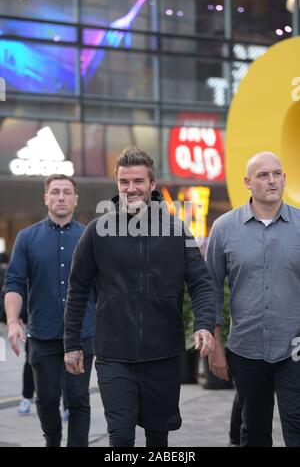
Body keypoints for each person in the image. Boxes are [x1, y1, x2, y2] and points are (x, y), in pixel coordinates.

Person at [64, 145, 216, 447]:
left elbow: (201, 282)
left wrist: (204, 324)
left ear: (152, 184)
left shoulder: (177, 231)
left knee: (158, 439)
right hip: (113, 355)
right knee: (120, 438)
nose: (130, 189)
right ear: (117, 184)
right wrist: (71, 344)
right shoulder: (96, 232)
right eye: (124, 182)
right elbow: (77, 289)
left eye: (138, 182)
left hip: (164, 356)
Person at [206, 151, 300, 447]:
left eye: (276, 173)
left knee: (297, 426)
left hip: (295, 349)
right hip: (245, 350)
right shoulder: (223, 229)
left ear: (285, 178)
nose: (271, 180)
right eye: (263, 175)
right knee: (254, 432)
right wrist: (215, 348)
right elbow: (208, 290)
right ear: (247, 182)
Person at [4, 174, 95, 447]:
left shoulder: (90, 237)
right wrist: (12, 321)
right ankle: (52, 441)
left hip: (82, 335)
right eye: (55, 192)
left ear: (76, 199)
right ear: (45, 198)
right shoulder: (27, 237)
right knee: (45, 400)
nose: (61, 197)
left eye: (67, 192)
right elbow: (14, 283)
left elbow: (103, 289)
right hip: (42, 336)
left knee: (79, 400)